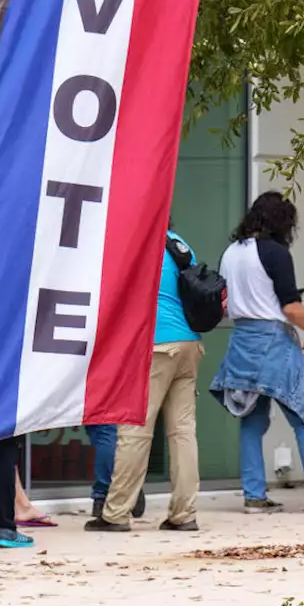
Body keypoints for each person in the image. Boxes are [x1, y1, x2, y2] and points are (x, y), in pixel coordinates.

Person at [211, 192, 304, 516]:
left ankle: (254, 495)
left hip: (242, 340)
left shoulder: (231, 253)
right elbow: (291, 308)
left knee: (252, 420)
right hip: (273, 340)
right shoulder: (275, 253)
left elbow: (225, 302)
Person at [89, 227, 205, 532]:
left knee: (135, 429)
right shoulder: (179, 243)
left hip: (153, 345)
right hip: (188, 343)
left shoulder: (136, 242)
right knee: (183, 432)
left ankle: (116, 513)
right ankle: (185, 514)